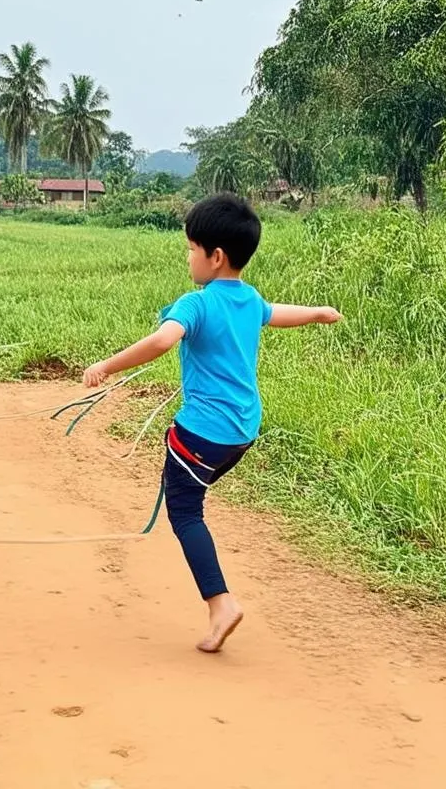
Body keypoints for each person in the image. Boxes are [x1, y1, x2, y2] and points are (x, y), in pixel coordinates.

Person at [83, 193, 342, 653]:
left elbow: (164, 340)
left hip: (203, 433)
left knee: (184, 511)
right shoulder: (249, 300)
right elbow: (276, 314)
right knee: (191, 497)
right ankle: (218, 600)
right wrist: (318, 313)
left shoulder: (196, 304)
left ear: (215, 257)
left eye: (190, 248)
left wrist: (107, 365)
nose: (188, 257)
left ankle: (220, 603)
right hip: (244, 432)